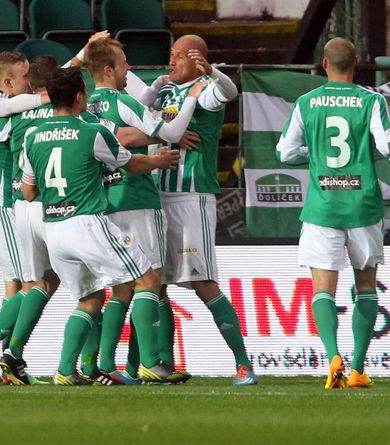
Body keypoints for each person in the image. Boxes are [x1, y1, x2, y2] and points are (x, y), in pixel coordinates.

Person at [21, 67, 188, 385]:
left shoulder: (33, 135)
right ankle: (150, 362)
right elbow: (131, 163)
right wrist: (157, 161)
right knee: (148, 278)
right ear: (79, 96)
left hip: (53, 228)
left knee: (91, 298)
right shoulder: (90, 132)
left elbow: (28, 191)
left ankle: (66, 371)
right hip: (87, 223)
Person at [276, 37, 390, 389]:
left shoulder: (307, 102)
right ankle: (358, 368)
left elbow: (285, 153)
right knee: (365, 285)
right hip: (362, 205)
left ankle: (332, 354)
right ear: (357, 63)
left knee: (323, 288)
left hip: (323, 207)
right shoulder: (371, 100)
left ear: (324, 64)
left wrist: (315, 156)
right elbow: (388, 144)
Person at [126, 34, 257, 385]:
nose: (171, 61)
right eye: (170, 55)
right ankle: (161, 364)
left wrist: (212, 71)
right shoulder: (167, 91)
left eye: (177, 56)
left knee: (202, 282)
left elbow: (229, 93)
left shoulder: (205, 87)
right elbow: (140, 110)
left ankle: (243, 364)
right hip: (158, 195)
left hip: (191, 196)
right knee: (156, 282)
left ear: (195, 58)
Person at [84, 37, 204, 383]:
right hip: (136, 198)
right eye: (123, 64)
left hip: (104, 202)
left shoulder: (85, 105)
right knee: (150, 278)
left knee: (122, 286)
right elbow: (172, 130)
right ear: (108, 69)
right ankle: (151, 361)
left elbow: (117, 137)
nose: (127, 70)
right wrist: (192, 98)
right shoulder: (121, 100)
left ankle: (105, 365)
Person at [0, 51, 50, 384]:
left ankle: (6, 363)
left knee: (17, 287)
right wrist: (43, 96)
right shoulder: (2, 108)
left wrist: (81, 55)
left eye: (32, 74)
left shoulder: (10, 103)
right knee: (29, 287)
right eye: (23, 75)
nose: (30, 81)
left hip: (6, 209)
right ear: (7, 82)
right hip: (4, 209)